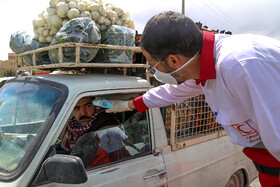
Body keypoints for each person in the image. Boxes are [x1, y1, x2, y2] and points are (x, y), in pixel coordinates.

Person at [106, 11, 280, 186]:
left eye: (153, 66)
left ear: (174, 61)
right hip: (269, 169)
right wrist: (128, 105)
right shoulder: (205, 66)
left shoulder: (239, 66)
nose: (155, 73)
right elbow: (170, 93)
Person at [59, 96, 119, 168]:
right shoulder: (71, 126)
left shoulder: (105, 128)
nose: (83, 113)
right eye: (76, 108)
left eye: (87, 106)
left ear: (95, 107)